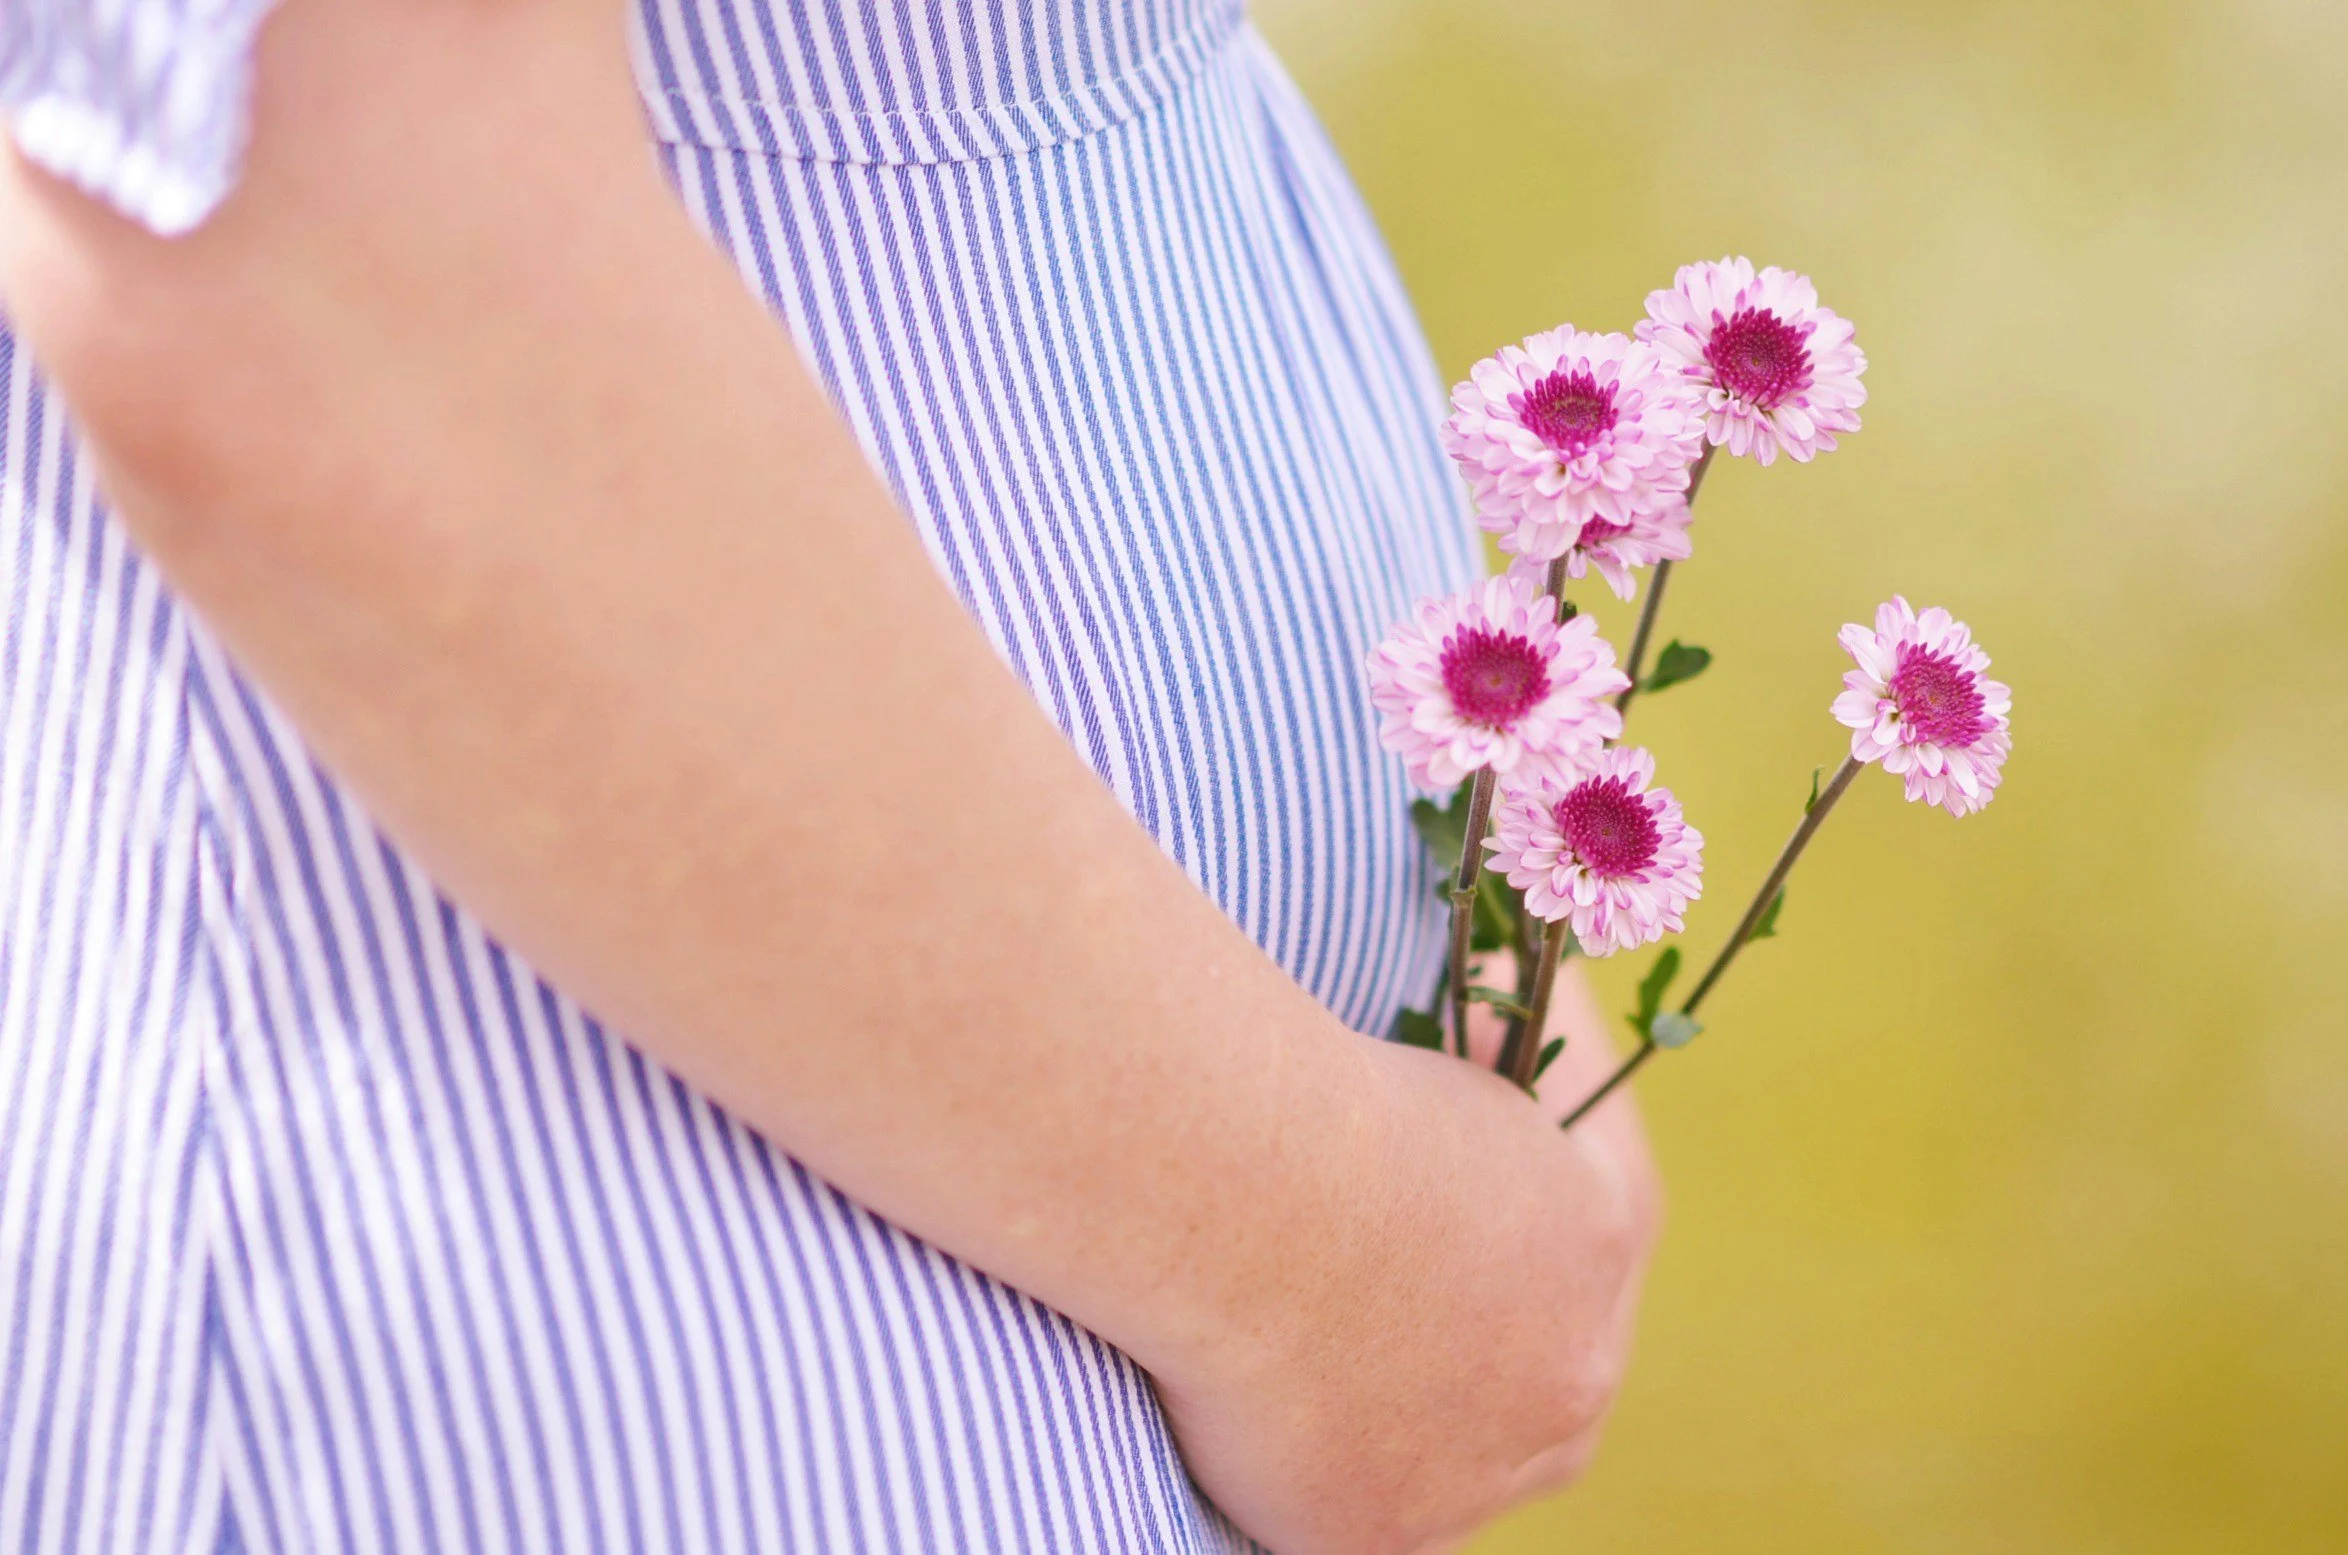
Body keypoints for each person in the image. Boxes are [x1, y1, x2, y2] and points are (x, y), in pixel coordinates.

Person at [0, 1, 1659, 1550]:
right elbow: (330, 273)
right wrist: (1312, 1254)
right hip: (585, 1282)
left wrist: (1452, 929)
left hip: (1035, 1185)